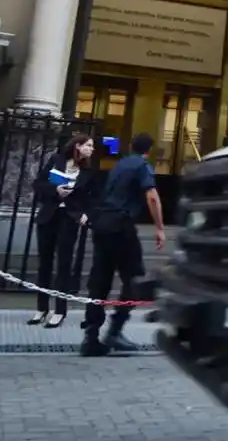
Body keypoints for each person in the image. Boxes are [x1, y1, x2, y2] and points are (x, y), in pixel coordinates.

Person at [81, 132, 165, 357]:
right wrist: (159, 227)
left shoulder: (120, 165)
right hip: (121, 225)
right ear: (149, 150)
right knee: (134, 278)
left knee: (100, 279)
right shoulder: (142, 165)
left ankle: (90, 336)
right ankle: (115, 330)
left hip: (103, 225)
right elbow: (152, 196)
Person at [29, 134, 98, 328]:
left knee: (64, 264)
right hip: (48, 216)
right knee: (44, 263)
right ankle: (41, 308)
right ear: (78, 145)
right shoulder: (56, 161)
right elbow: (38, 184)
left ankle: (60, 310)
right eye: (88, 145)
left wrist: (87, 214)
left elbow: (95, 197)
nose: (91, 149)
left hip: (69, 218)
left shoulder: (89, 171)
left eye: (92, 146)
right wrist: (56, 190)